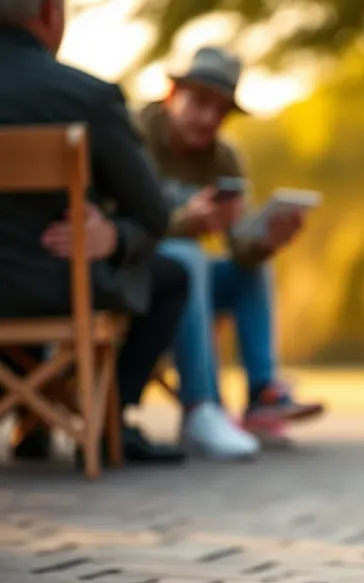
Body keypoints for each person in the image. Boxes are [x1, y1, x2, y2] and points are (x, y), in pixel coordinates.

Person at [0, 0, 188, 465]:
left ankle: (33, 413)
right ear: (50, 12)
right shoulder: (85, 96)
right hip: (58, 283)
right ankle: (109, 423)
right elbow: (153, 214)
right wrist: (116, 236)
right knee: (172, 276)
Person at [135, 46, 325, 459]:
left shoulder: (224, 157)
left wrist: (267, 241)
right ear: (172, 94)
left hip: (189, 287)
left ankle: (261, 395)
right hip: (138, 281)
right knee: (188, 255)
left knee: (248, 271)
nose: (209, 118)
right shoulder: (135, 136)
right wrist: (185, 222)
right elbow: (116, 226)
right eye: (200, 102)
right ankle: (202, 408)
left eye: (220, 110)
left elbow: (240, 250)